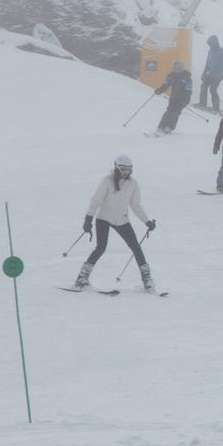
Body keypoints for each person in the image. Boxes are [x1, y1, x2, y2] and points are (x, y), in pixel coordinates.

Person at [72, 154, 158, 293]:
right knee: (101, 248)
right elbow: (96, 200)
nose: (125, 172)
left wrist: (146, 221)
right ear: (117, 168)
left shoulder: (133, 184)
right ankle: (82, 278)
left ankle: (147, 280)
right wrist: (88, 219)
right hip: (104, 218)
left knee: (136, 248)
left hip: (122, 220)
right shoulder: (107, 181)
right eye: (123, 169)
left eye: (128, 170)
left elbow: (135, 205)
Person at [153, 60, 193, 134]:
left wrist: (185, 101)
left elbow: (189, 91)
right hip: (174, 97)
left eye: (177, 69)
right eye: (174, 69)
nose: (176, 71)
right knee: (169, 111)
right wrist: (159, 90)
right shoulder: (171, 76)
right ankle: (161, 126)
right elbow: (165, 85)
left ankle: (169, 127)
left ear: (181, 69)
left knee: (175, 112)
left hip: (182, 99)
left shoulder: (186, 78)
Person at [198, 35, 223, 112]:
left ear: (215, 43)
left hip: (217, 75)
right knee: (203, 86)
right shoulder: (210, 51)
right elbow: (207, 63)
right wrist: (204, 73)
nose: (210, 45)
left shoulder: (221, 51)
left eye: (211, 43)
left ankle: (216, 108)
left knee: (213, 89)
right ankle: (202, 104)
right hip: (210, 74)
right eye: (209, 44)